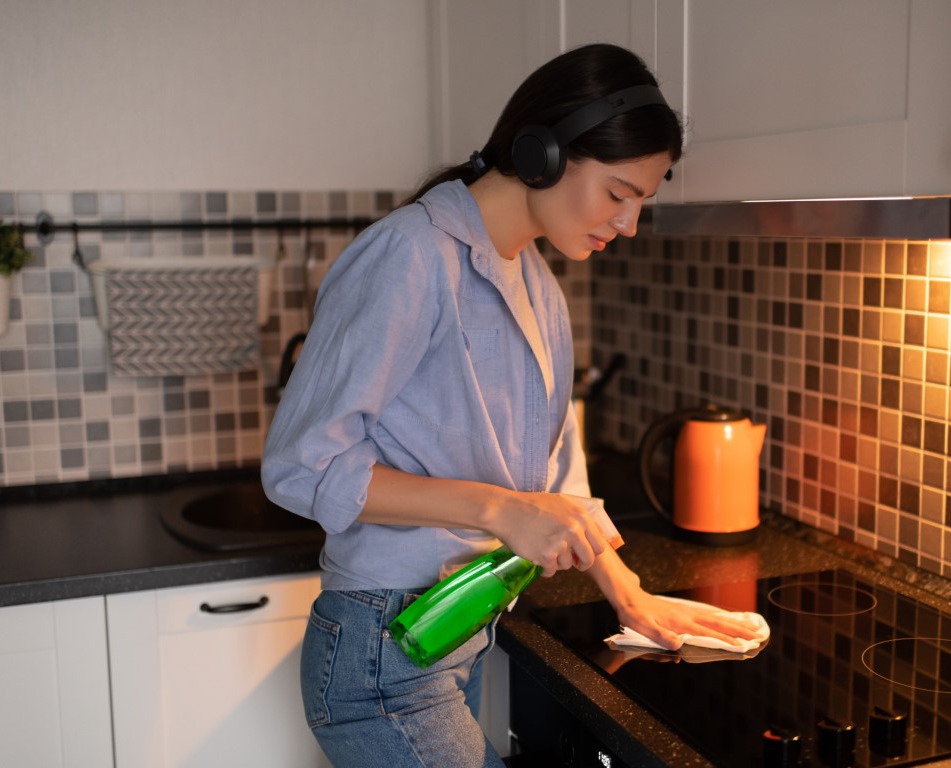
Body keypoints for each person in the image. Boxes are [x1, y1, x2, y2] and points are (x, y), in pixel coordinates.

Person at [262, 43, 761, 768]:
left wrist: (631, 596)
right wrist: (497, 509)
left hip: (451, 640)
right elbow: (303, 467)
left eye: (640, 205)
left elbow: (558, 483)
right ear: (544, 154)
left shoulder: (537, 284)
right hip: (381, 658)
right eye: (619, 194)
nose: (627, 226)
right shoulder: (410, 256)